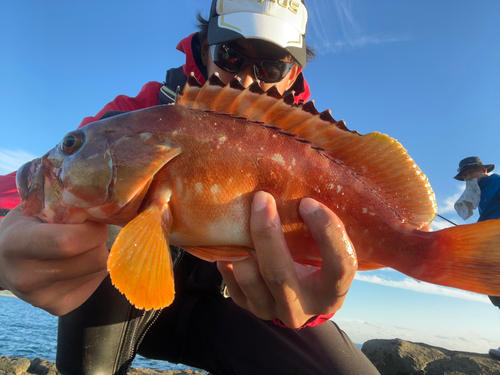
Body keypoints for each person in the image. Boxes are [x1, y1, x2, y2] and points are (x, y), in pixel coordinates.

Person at [0, 1, 380, 374]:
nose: (248, 79)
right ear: (204, 48)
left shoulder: (315, 151)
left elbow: (320, 266)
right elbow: (47, 184)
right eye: (231, 55)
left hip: (237, 313)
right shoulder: (135, 119)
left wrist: (309, 300)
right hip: (125, 306)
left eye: (271, 66)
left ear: (293, 74)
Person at [454, 156, 500, 360]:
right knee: (495, 293)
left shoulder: (497, 182)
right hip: (491, 246)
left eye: (470, 173)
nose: (467, 178)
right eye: (464, 176)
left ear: (483, 170)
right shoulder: (478, 194)